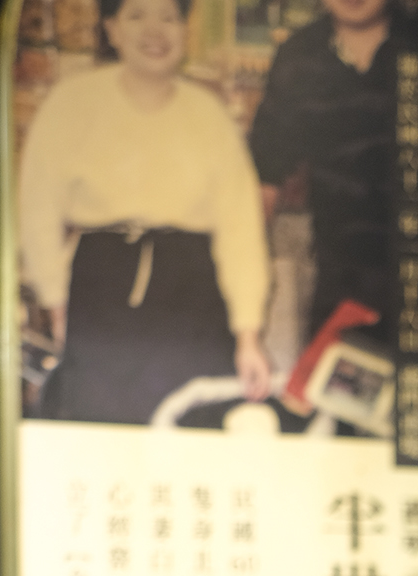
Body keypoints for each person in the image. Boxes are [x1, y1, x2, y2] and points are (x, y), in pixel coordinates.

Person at [247, 0, 418, 439]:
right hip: (341, 288)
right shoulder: (299, 57)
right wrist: (247, 300)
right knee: (344, 433)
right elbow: (265, 177)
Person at [18, 0, 271, 424]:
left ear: (185, 29)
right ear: (112, 28)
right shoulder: (72, 103)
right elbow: (37, 210)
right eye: (136, 15)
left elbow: (241, 230)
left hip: (194, 289)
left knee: (194, 426)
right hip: (101, 283)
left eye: (169, 17)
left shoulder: (208, 116)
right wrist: (56, 302)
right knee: (101, 424)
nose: (155, 31)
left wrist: (248, 335)